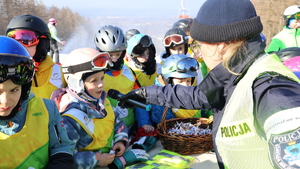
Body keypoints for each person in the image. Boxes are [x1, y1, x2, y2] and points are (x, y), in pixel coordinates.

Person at [119, 0, 300, 168]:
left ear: (220, 46)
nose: (198, 54)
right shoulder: (234, 73)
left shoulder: (270, 89)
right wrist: (146, 94)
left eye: (199, 46)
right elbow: (197, 96)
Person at [51, 48, 152, 168]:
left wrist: (120, 140)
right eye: (94, 81)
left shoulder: (102, 101)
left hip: (109, 160)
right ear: (76, 83)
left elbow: (117, 122)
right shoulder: (70, 117)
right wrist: (96, 159)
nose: (101, 84)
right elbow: (64, 157)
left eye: (102, 78)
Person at [0, 36, 74, 168]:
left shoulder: (46, 109)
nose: (5, 102)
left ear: (24, 89)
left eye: (14, 90)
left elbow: (62, 148)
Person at [94, 25, 150, 137]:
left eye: (117, 54)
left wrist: (144, 123)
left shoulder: (128, 72)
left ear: (123, 53)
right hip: (106, 131)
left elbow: (138, 98)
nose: (114, 59)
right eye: (110, 55)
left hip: (129, 130)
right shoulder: (95, 76)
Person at [6, 14, 66, 99]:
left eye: (27, 39)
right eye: (13, 39)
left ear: (41, 44)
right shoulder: (5, 73)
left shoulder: (59, 73)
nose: (19, 45)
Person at [151, 54, 212, 126]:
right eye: (180, 81)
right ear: (169, 81)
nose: (186, 85)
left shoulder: (193, 94)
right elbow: (168, 125)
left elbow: (204, 113)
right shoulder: (162, 99)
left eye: (188, 81)